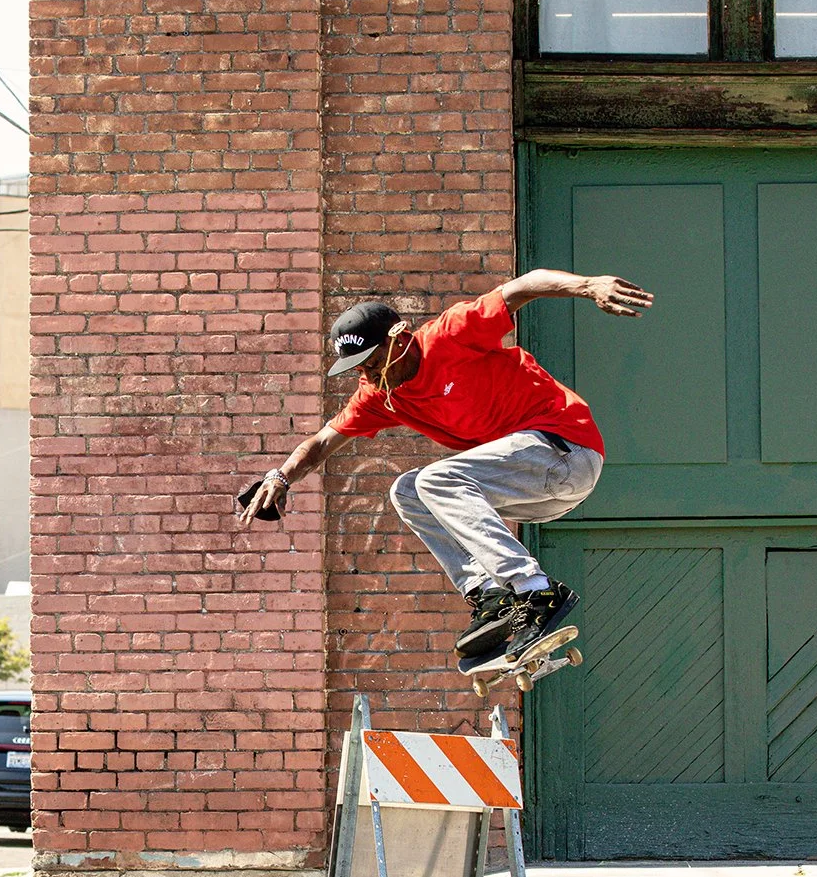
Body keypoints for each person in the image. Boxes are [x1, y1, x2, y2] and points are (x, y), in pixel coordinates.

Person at [236, 270, 652, 669]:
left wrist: (588, 286)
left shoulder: (451, 334)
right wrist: (280, 476)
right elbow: (322, 442)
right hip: (535, 491)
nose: (369, 376)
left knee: (437, 479)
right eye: (359, 369)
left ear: (399, 339)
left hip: (566, 450)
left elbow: (524, 286)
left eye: (372, 362)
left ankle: (535, 593)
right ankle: (490, 596)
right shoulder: (380, 396)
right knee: (407, 490)